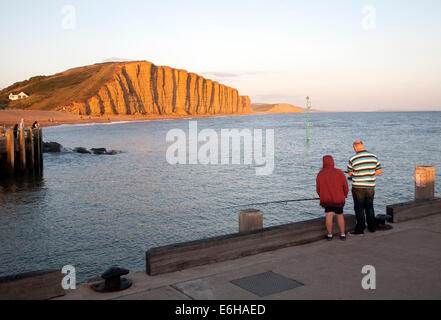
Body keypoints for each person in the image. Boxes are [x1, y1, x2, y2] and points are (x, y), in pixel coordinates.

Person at [347, 140, 382, 235]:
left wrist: (359, 174)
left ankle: (360, 230)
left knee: (359, 208)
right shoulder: (373, 157)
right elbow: (379, 171)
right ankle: (372, 227)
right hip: (370, 186)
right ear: (362, 146)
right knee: (370, 207)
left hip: (358, 187)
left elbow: (350, 173)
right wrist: (369, 173)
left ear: (354, 147)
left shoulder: (352, 158)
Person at [316, 155, 349, 240]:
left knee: (329, 215)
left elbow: (318, 189)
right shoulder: (339, 172)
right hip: (338, 199)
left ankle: (330, 235)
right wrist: (344, 195)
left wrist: (322, 196)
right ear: (332, 161)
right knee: (340, 215)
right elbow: (345, 186)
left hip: (327, 199)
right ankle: (342, 234)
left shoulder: (320, 174)